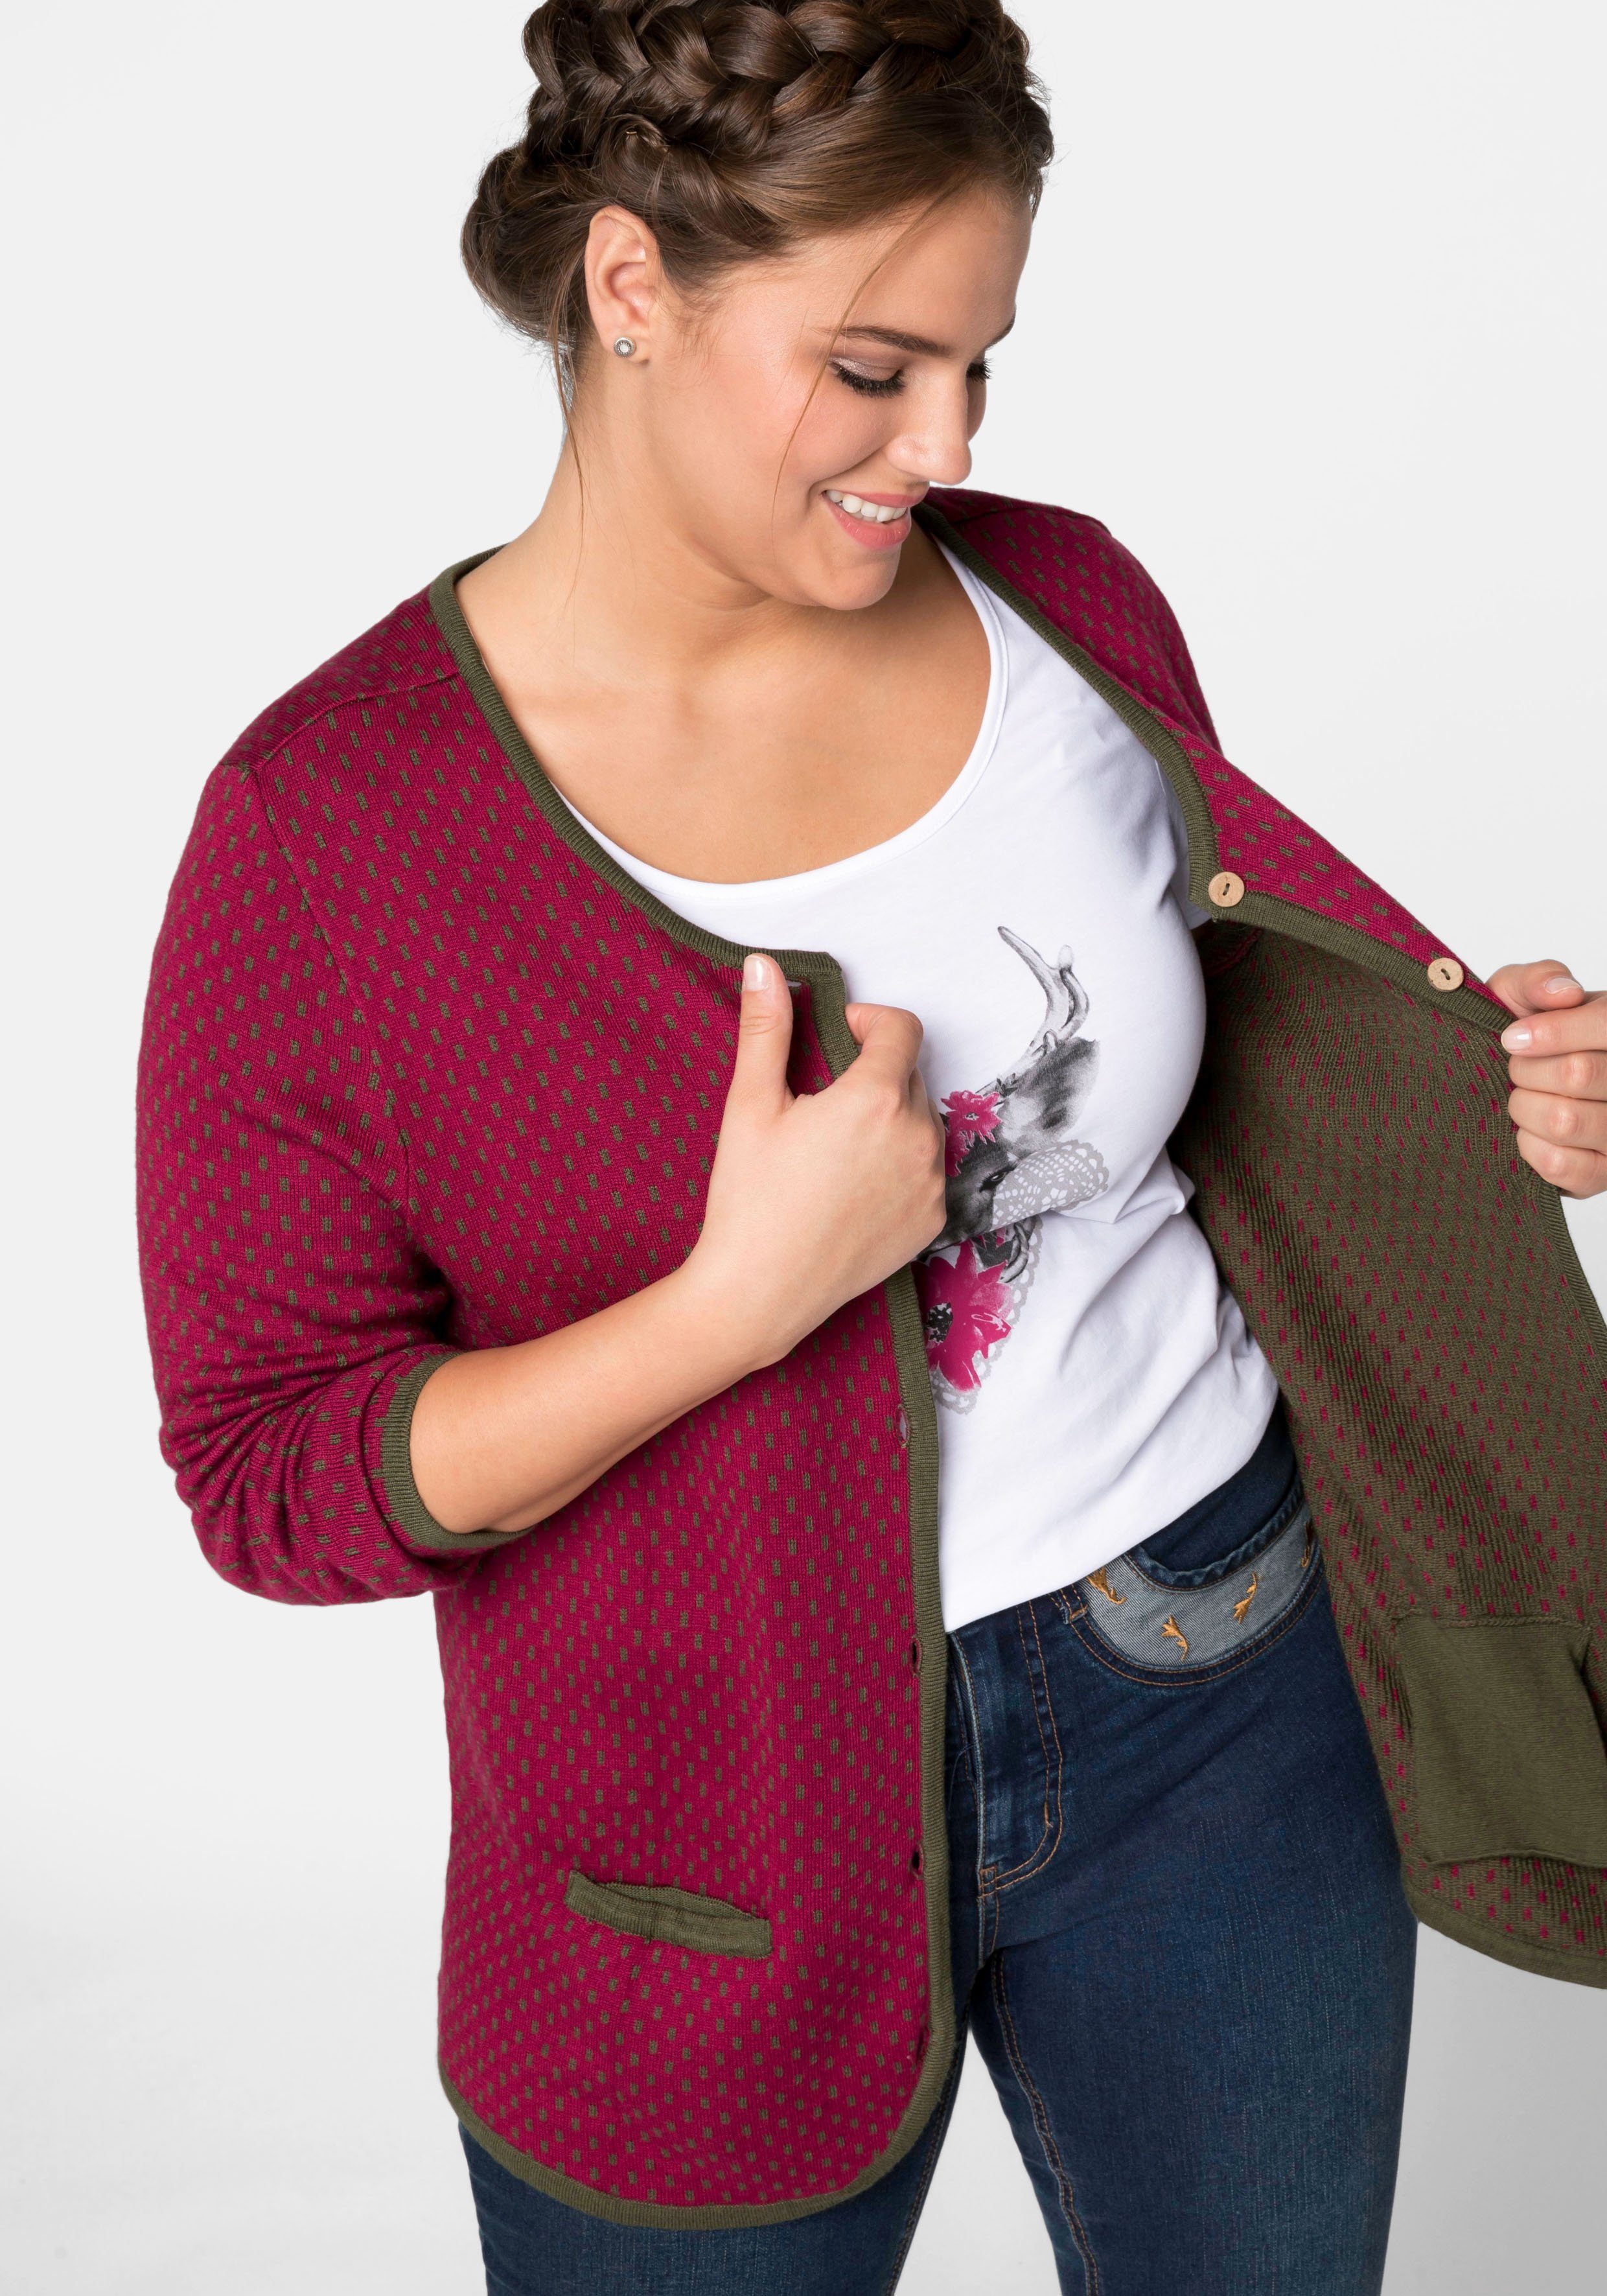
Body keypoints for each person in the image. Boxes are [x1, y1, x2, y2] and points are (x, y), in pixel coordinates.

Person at [134, 3, 1607, 2290]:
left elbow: (1233, 1042)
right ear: (633, 285)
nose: (945, 444)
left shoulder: (1071, 607)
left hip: (1226, 1688)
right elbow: (269, 1475)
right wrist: (729, 1308)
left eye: (981, 365)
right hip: (688, 1837)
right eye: (872, 368)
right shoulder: (328, 834)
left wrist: (1494, 1085)